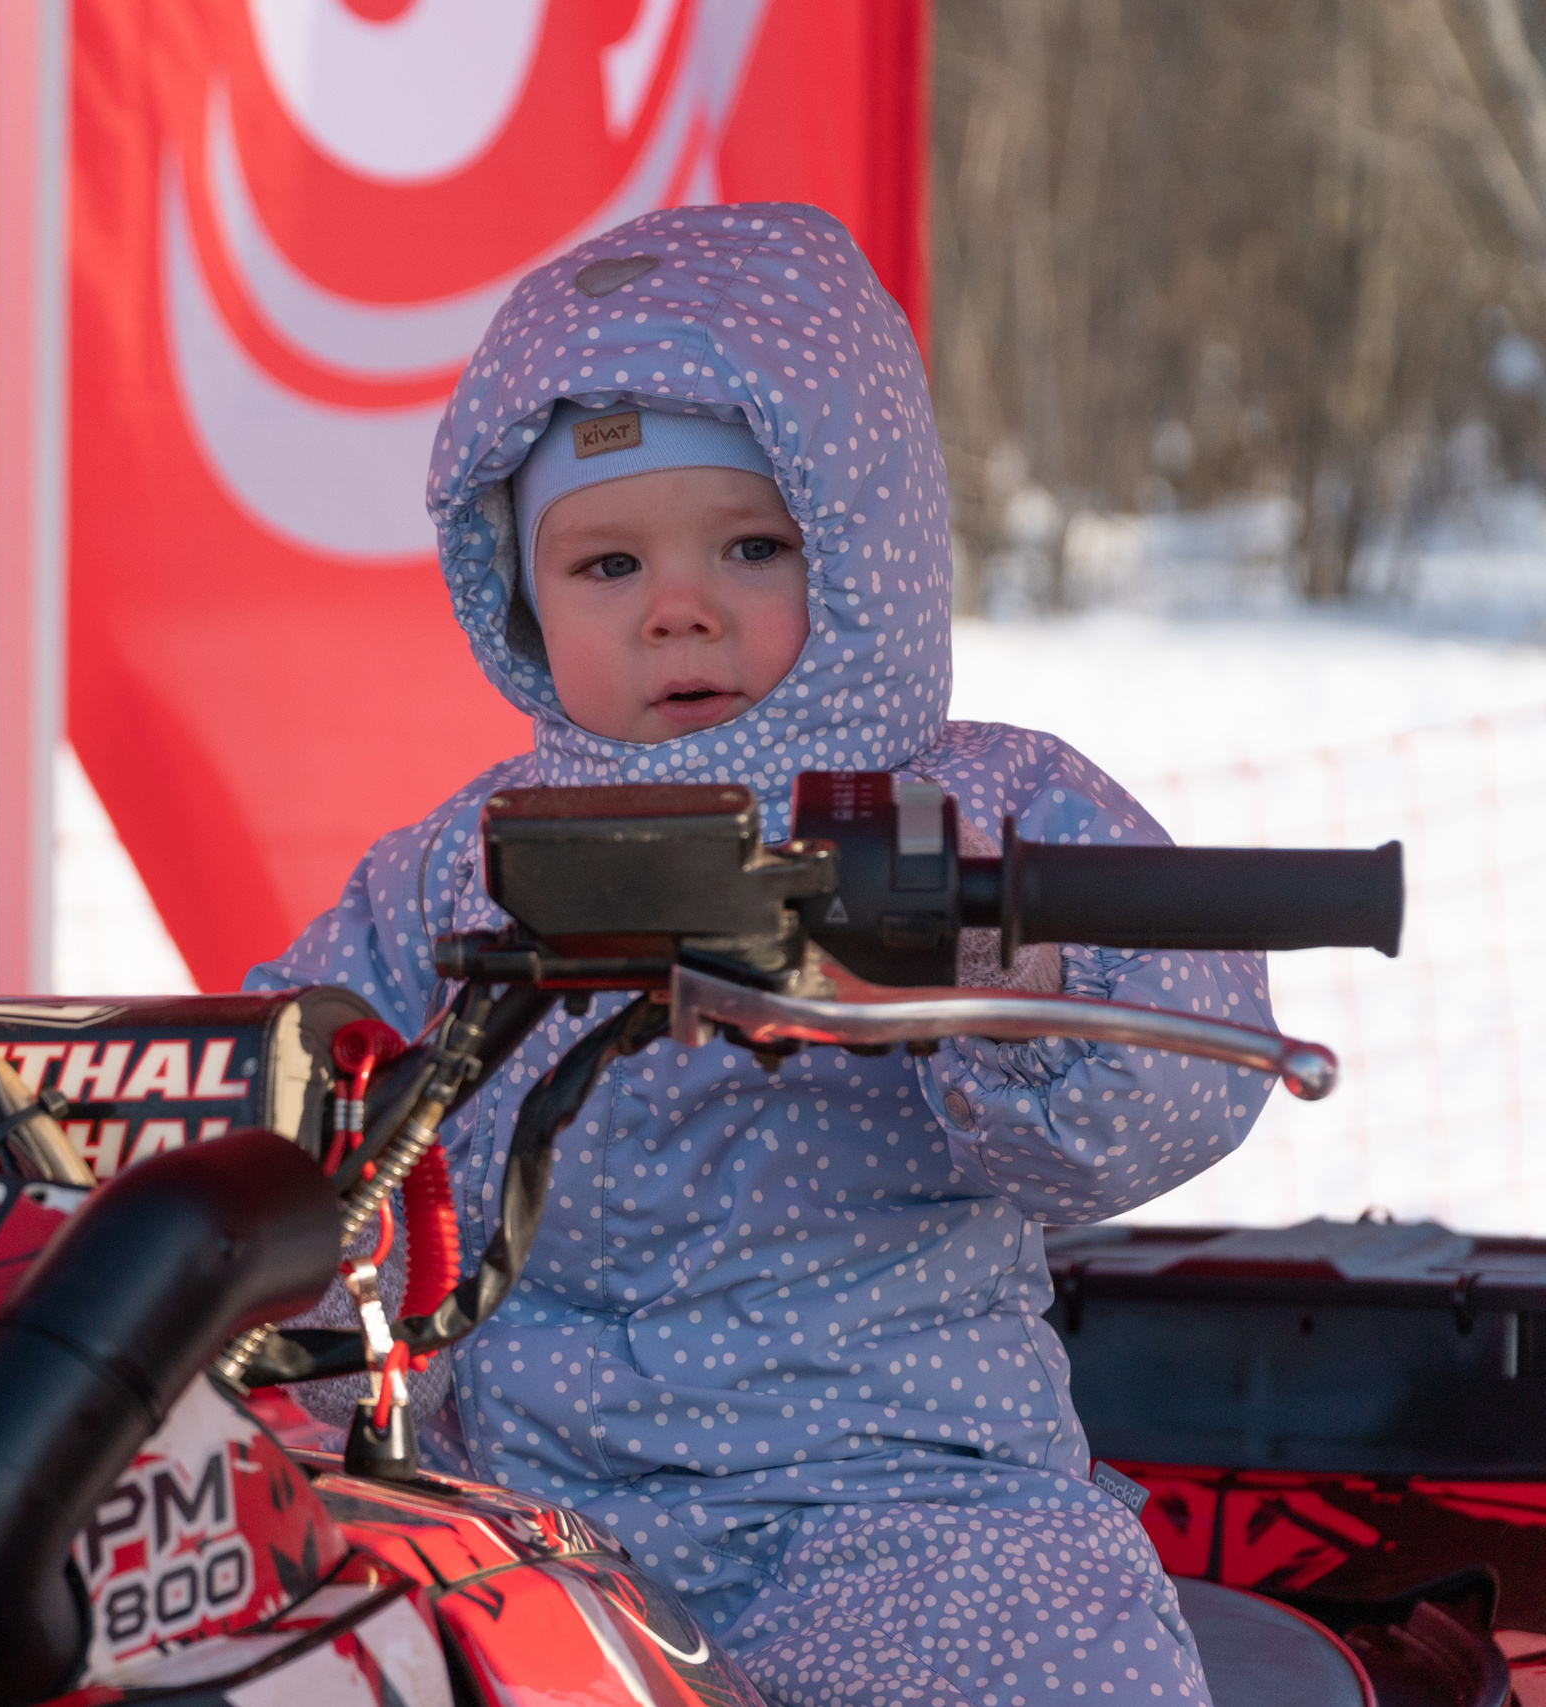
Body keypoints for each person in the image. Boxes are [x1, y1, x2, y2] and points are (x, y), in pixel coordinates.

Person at [249, 205, 1264, 1705]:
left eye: (751, 544)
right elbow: (295, 1091)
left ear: (863, 552)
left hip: (903, 1504)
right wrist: (289, 1282)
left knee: (1051, 1659)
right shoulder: (464, 863)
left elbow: (1179, 1070)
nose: (679, 607)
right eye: (605, 565)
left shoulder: (977, 809)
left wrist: (1006, 986)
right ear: (518, 594)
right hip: (534, 1517)